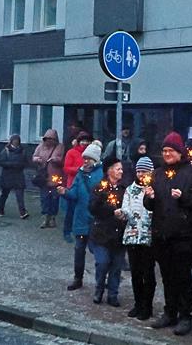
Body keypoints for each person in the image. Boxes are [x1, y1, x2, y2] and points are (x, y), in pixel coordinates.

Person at [143, 131, 192, 336]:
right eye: (165, 150)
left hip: (183, 234)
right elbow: (149, 205)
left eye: (171, 150)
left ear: (180, 152)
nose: (167, 154)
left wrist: (183, 197)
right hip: (161, 234)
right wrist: (149, 197)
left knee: (183, 277)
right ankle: (170, 312)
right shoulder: (157, 174)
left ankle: (185, 316)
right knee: (167, 276)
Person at [59, 141, 104, 291]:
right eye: (84, 158)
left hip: (95, 219)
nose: (85, 161)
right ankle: (78, 278)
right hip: (80, 218)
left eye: (89, 158)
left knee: (97, 251)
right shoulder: (79, 174)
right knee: (79, 250)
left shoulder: (101, 174)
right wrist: (65, 192)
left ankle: (101, 279)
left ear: (95, 160)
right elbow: (74, 194)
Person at [117, 156, 156, 321]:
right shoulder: (130, 189)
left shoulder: (154, 189)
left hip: (148, 237)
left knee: (148, 273)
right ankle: (138, 303)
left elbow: (157, 210)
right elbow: (126, 207)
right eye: (139, 171)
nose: (141, 174)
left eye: (145, 171)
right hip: (132, 235)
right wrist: (122, 213)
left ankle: (147, 306)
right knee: (135, 273)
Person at [89, 156, 127, 306]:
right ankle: (99, 289)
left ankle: (113, 294)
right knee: (103, 262)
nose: (121, 172)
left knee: (117, 266)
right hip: (102, 233)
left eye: (121, 169)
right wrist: (112, 211)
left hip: (118, 234)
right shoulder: (99, 187)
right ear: (110, 171)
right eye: (118, 169)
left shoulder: (124, 189)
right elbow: (92, 208)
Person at [32, 128, 65, 228]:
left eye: (51, 139)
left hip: (55, 176)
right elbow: (34, 157)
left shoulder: (60, 147)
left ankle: (53, 217)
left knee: (55, 198)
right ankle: (45, 217)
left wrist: (55, 160)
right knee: (44, 198)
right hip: (44, 177)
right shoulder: (40, 147)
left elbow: (62, 160)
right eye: (47, 139)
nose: (49, 141)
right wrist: (37, 159)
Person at [62, 131, 92, 241]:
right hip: (73, 185)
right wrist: (79, 169)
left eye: (87, 141)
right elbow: (66, 168)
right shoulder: (71, 152)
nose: (85, 143)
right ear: (79, 141)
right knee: (71, 210)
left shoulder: (91, 154)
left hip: (87, 186)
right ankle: (67, 232)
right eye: (83, 140)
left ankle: (84, 231)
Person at [0, 134, 29, 219]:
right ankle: (1, 209)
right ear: (11, 141)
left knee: (20, 195)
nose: (16, 142)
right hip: (7, 175)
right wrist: (12, 164)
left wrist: (20, 165)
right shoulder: (6, 151)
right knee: (5, 194)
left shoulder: (22, 151)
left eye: (17, 140)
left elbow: (26, 162)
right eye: (14, 140)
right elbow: (1, 162)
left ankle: (22, 212)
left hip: (18, 175)